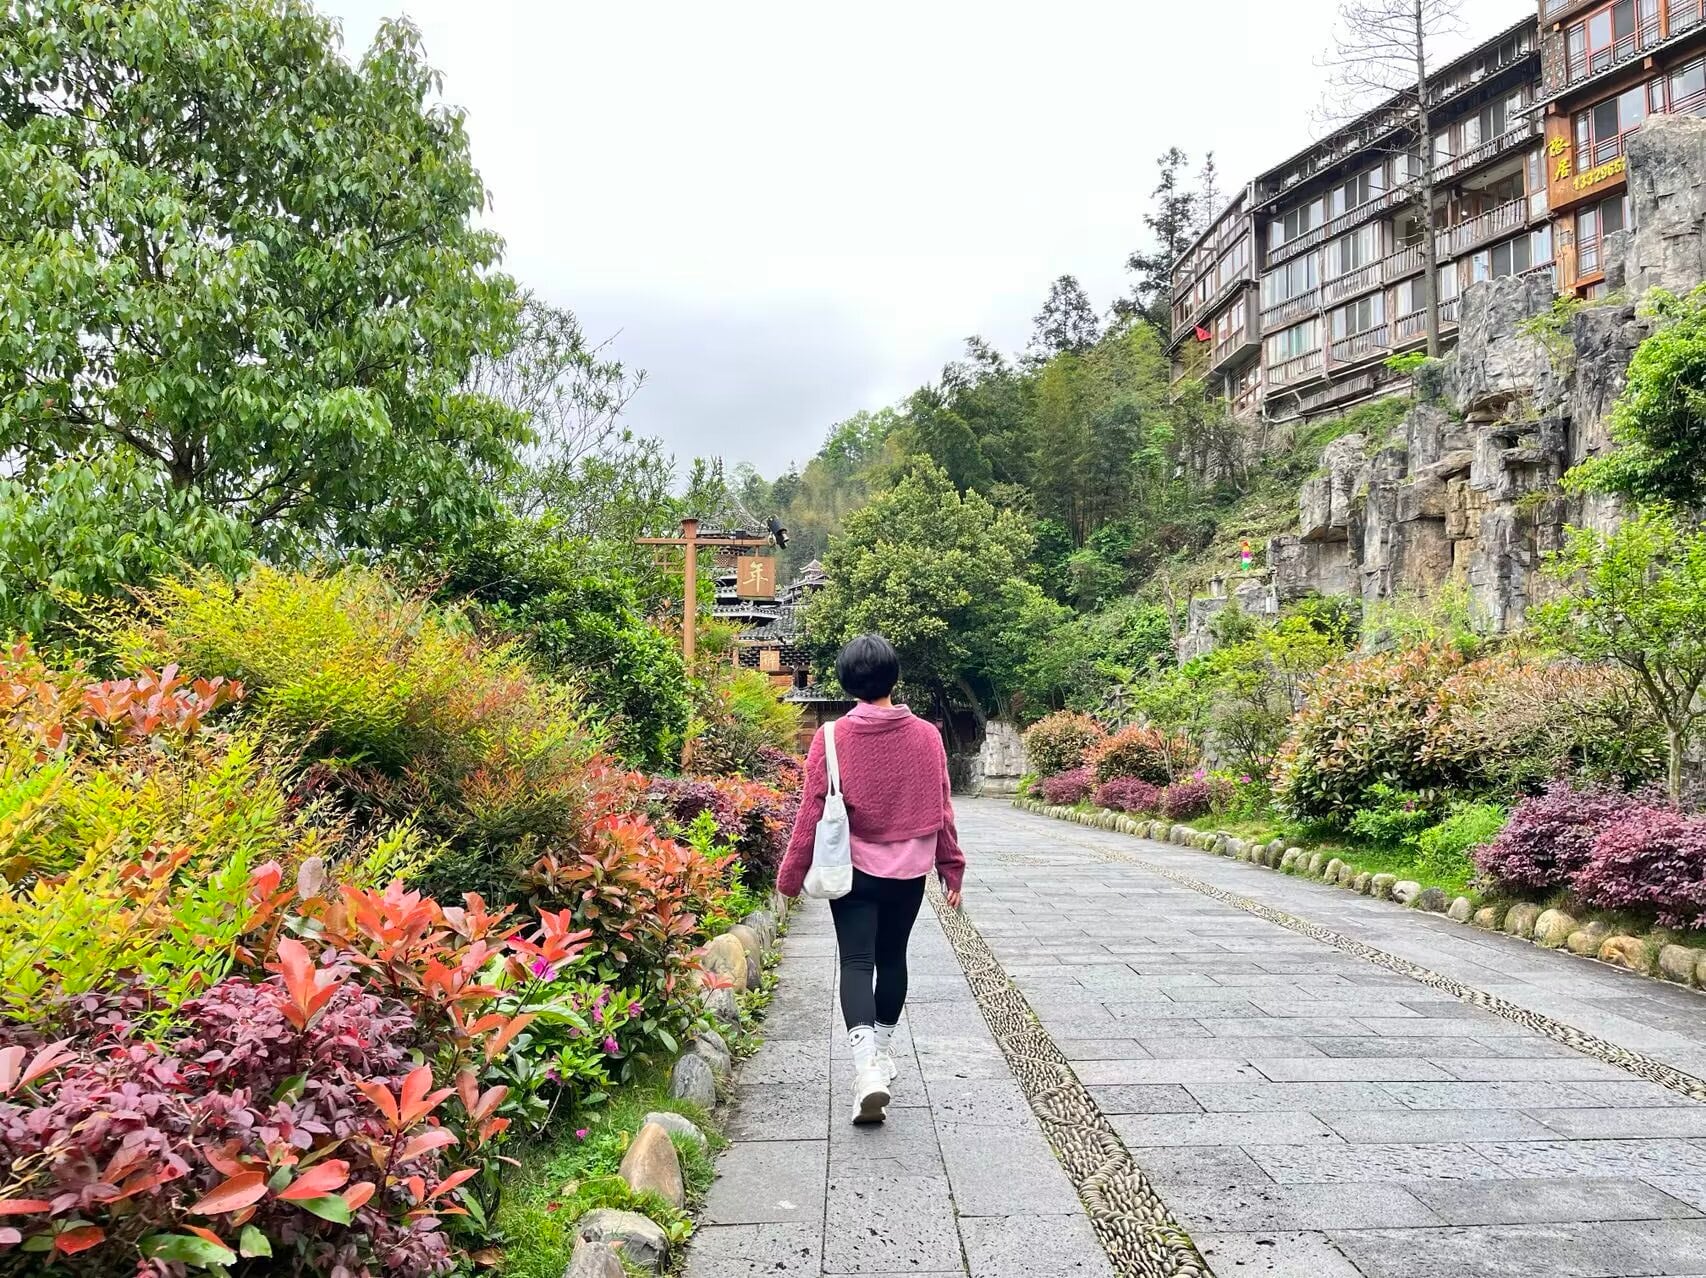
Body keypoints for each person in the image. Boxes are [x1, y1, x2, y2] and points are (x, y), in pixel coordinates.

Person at [777, 634, 966, 1125]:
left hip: (853, 869)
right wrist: (951, 865)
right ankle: (881, 1053)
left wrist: (791, 875)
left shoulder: (831, 737)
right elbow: (942, 806)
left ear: (845, 682)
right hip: (910, 869)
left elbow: (811, 811)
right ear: (893, 676)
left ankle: (866, 1071)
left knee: (857, 962)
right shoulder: (927, 736)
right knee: (893, 957)